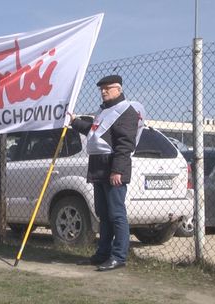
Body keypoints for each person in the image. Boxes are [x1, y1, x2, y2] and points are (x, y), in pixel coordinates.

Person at [69, 75, 144, 271]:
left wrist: (117, 170)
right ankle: (102, 254)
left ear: (118, 89)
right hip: (98, 167)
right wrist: (75, 122)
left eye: (107, 88)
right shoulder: (103, 111)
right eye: (101, 88)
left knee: (117, 214)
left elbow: (125, 144)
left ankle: (118, 256)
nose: (103, 91)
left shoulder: (126, 111)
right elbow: (95, 132)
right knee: (103, 213)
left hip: (113, 168)